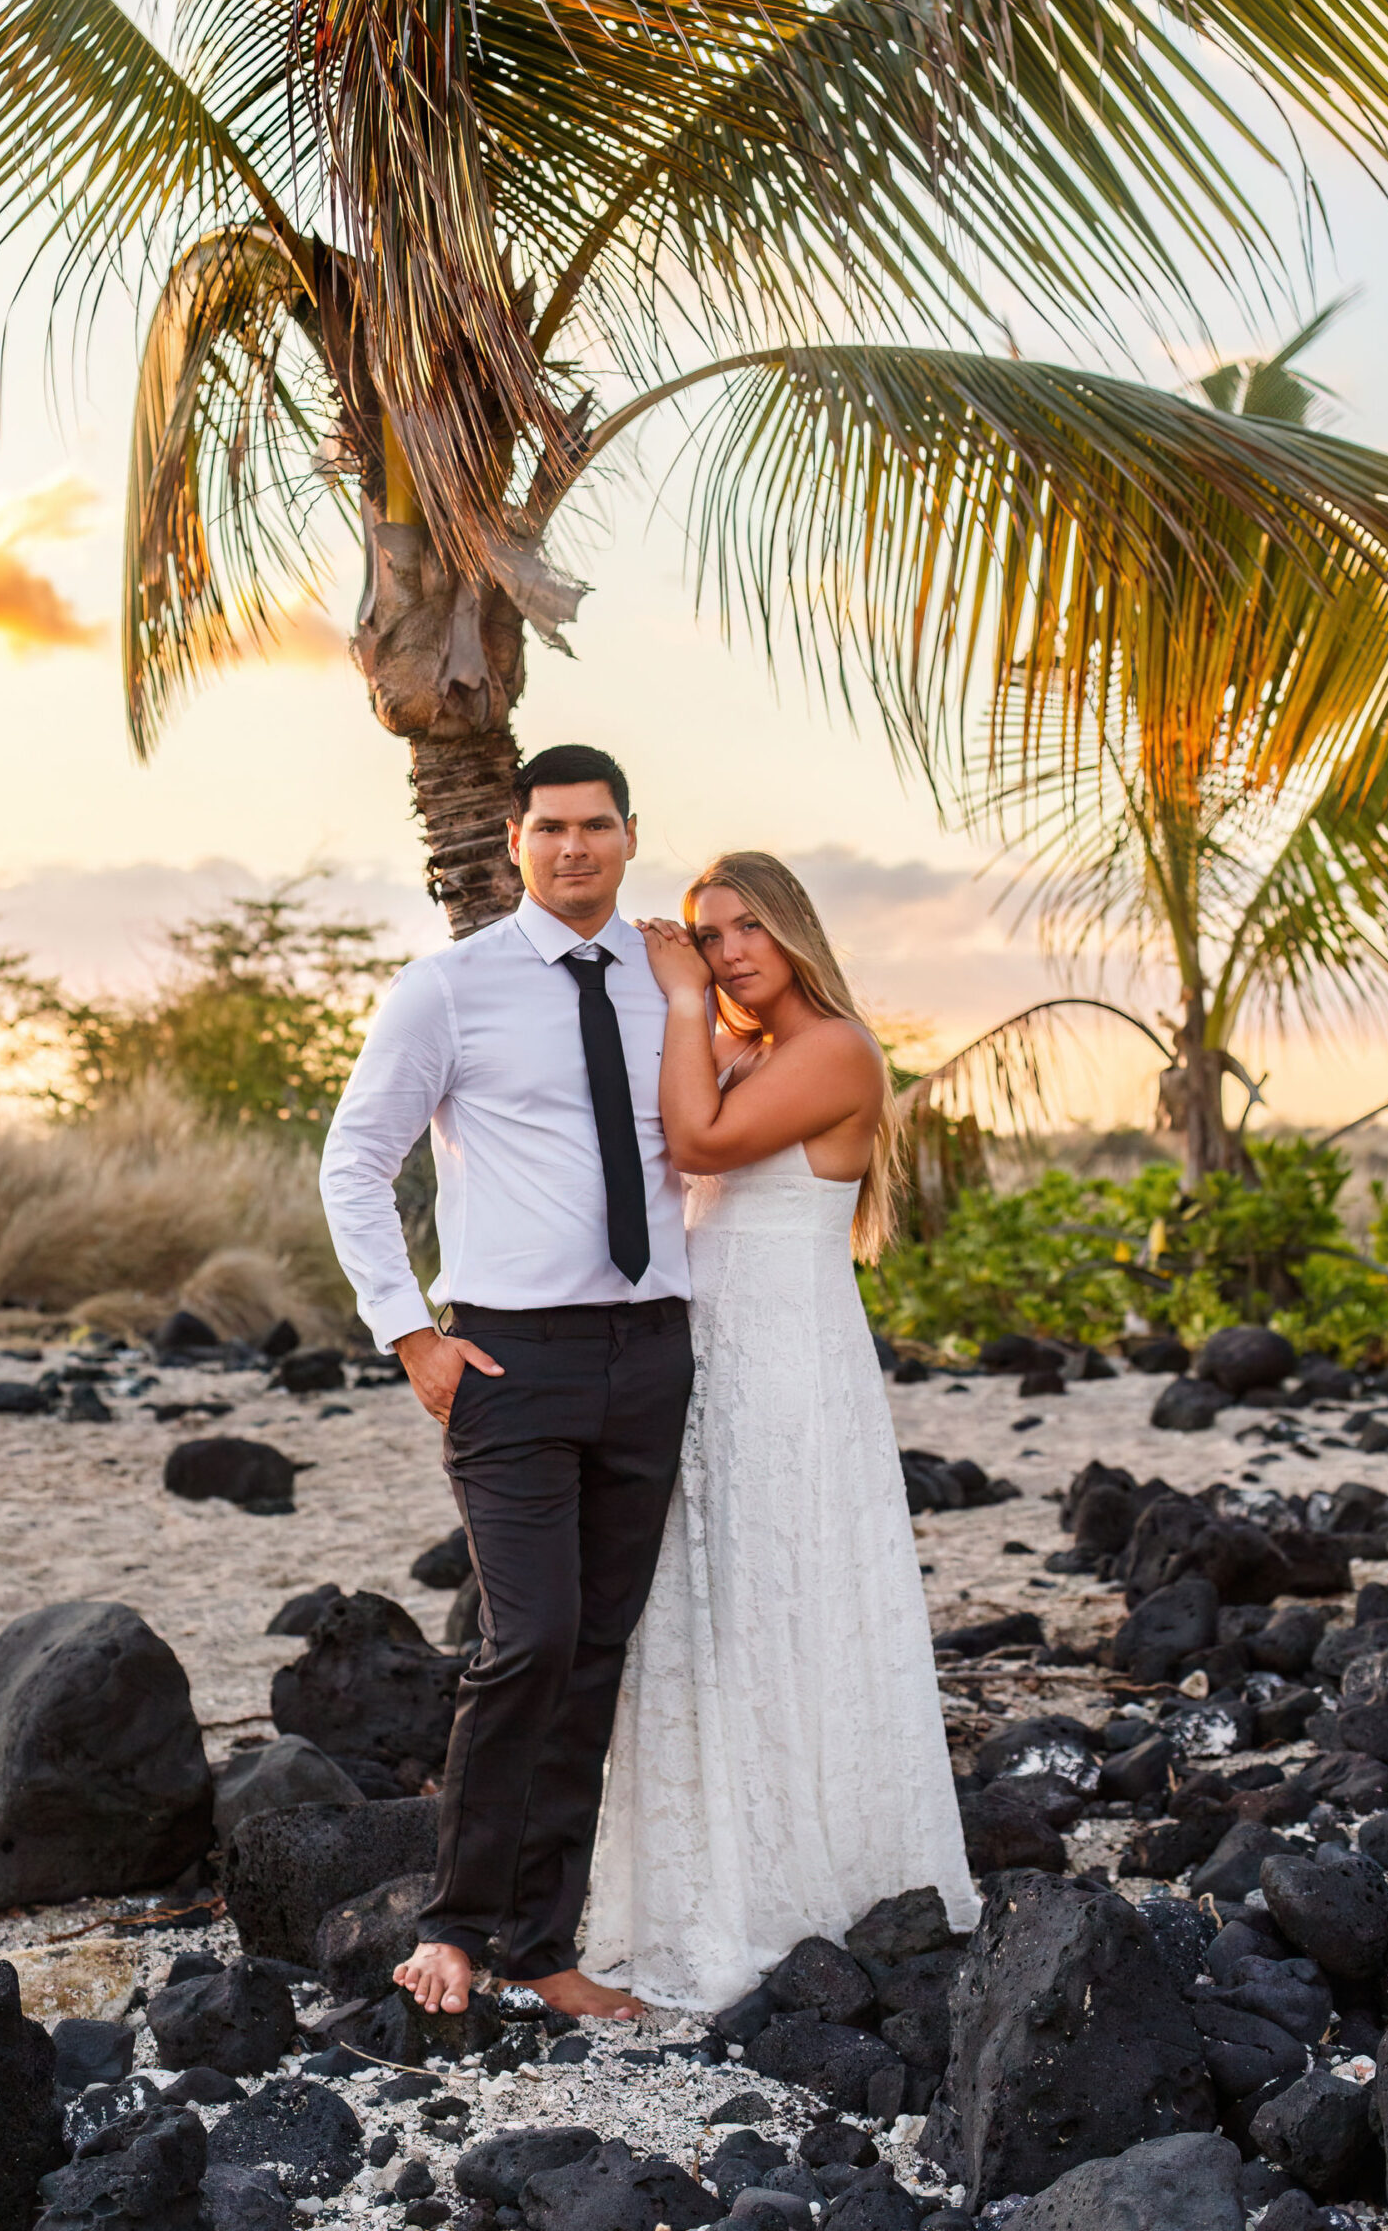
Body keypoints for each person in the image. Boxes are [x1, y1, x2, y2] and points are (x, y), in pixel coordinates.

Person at [319, 743, 693, 2021]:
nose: (573, 847)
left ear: (631, 837)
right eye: (550, 827)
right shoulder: (450, 989)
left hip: (649, 1355)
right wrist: (408, 1332)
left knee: (592, 1656)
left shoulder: (671, 980)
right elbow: (355, 1162)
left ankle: (544, 1946)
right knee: (522, 1641)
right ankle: (455, 1924)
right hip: (507, 1358)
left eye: (596, 825)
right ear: (514, 845)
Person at [582, 851, 980, 2011]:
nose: (730, 951)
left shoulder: (837, 1051)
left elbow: (697, 1143)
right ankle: (713, 1883)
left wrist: (679, 993)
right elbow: (647, 1090)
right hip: (710, 1367)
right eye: (709, 935)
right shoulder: (746, 1047)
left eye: (748, 927)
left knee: (786, 1601)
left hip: (790, 1374)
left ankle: (815, 1889)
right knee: (710, 1609)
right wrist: (656, 979)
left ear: (796, 929)